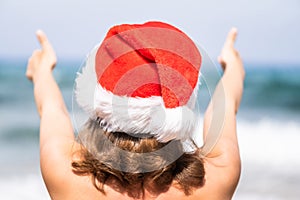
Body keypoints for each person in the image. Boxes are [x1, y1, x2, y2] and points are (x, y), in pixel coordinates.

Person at [26, 22, 245, 200]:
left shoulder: (66, 175)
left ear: (101, 102)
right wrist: (233, 66)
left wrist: (42, 70)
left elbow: (52, 109)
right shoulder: (215, 179)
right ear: (177, 114)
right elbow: (224, 107)